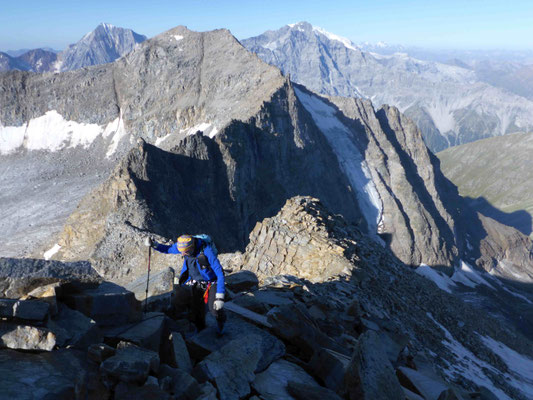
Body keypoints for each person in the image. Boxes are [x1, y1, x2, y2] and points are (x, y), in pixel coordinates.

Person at [145, 234, 226, 335]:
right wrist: (154, 245)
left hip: (211, 282)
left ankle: (221, 325)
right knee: (196, 309)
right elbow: (168, 249)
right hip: (195, 282)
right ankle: (200, 329)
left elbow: (219, 273)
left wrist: (220, 296)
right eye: (181, 252)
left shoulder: (207, 251)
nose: (183, 254)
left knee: (215, 309)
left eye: (185, 252)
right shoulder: (183, 247)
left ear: (192, 247)